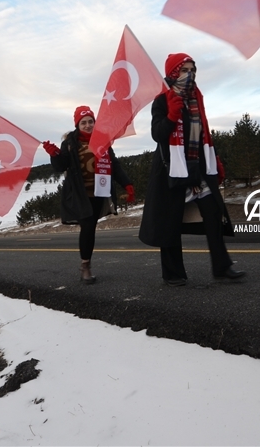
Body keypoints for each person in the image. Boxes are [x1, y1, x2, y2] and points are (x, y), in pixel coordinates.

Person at [138, 54, 244, 286]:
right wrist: (171, 115)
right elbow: (158, 134)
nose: (190, 74)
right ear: (174, 73)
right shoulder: (162, 101)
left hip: (198, 168)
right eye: (185, 70)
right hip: (172, 170)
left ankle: (222, 267)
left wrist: (214, 159)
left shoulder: (197, 98)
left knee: (213, 213)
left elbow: (203, 132)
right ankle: (173, 273)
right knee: (171, 221)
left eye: (192, 69)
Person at [43, 106, 135, 284]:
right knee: (87, 226)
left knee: (91, 227)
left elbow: (114, 164)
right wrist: (54, 154)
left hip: (99, 192)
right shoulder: (70, 142)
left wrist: (127, 184)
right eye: (83, 122)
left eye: (90, 121)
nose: (87, 125)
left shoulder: (102, 140)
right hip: (80, 194)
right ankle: (85, 266)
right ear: (77, 124)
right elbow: (61, 166)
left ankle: (86, 263)